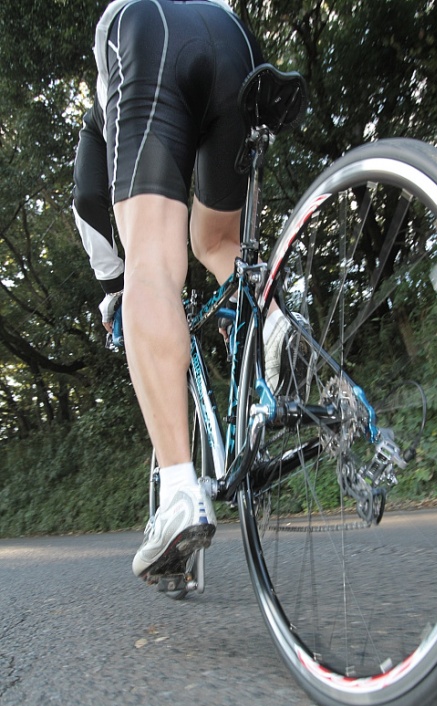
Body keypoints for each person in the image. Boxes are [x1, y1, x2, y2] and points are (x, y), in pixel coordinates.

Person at [73, 0, 291, 582]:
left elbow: (86, 198)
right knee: (216, 242)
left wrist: (116, 290)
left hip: (147, 30)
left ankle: (177, 492)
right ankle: (276, 327)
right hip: (234, 37)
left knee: (153, 263)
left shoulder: (98, 114)